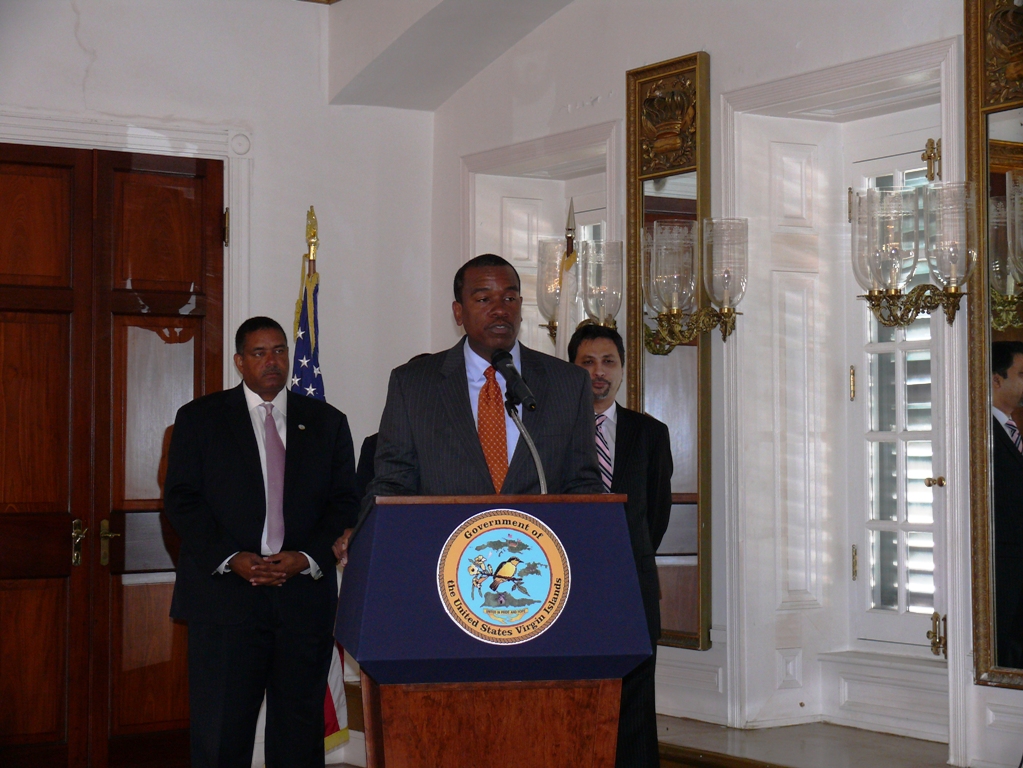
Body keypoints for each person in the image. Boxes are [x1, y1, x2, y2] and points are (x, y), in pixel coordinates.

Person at [164, 316, 359, 768]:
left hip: (302, 601)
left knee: (298, 734)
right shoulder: (200, 419)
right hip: (226, 601)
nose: (272, 362)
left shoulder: (326, 422)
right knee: (221, 734)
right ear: (239, 361)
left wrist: (305, 557)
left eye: (279, 351)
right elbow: (182, 500)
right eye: (259, 353)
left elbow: (344, 502)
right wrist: (231, 558)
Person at [334, 254, 601, 564]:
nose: (500, 309)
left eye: (510, 297)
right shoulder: (414, 384)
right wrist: (365, 533)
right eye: (484, 298)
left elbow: (583, 483)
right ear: (458, 312)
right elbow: (393, 482)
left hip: (540, 565)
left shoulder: (567, 383)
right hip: (443, 563)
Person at [569, 323, 672, 768]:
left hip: (632, 587)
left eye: (608, 361)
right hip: (568, 592)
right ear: (571, 370)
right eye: (587, 362)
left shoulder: (650, 433)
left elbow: (656, 516)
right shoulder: (554, 432)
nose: (599, 372)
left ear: (622, 369)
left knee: (633, 702)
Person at [991, 340, 1023, 668]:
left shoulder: (1012, 426)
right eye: (1022, 374)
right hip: (1003, 563)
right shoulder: (981, 432)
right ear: (997, 379)